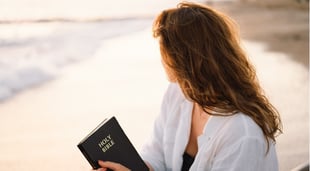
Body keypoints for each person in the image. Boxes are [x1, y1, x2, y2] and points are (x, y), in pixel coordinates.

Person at [94, 1, 282, 171]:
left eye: (164, 51)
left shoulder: (242, 134)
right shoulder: (179, 93)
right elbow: (155, 154)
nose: (161, 59)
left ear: (183, 59)